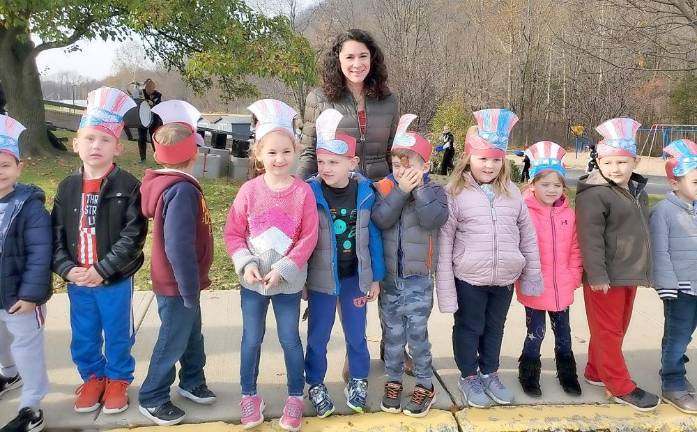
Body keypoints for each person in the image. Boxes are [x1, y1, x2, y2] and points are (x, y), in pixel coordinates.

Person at [436, 108, 542, 408]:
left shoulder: (512, 192)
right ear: (469, 157)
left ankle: (489, 372)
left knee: (496, 327)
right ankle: (469, 375)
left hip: (504, 278)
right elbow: (444, 244)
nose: (490, 165)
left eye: (497, 159)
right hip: (469, 278)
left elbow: (527, 235)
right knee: (470, 327)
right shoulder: (454, 193)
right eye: (483, 158)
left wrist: (531, 272)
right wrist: (445, 289)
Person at [51, 87, 148, 415]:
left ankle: (118, 378)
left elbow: (133, 235)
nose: (96, 146)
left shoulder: (128, 185)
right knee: (84, 331)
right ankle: (92, 376)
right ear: (76, 143)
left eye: (105, 140)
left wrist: (103, 269)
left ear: (117, 147)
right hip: (78, 279)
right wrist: (66, 268)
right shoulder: (66, 187)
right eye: (90, 139)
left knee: (118, 330)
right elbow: (57, 235)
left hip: (114, 279)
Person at [223, 99, 318, 431]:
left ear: (295, 151)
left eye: (286, 152)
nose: (279, 159)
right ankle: (249, 395)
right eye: (272, 152)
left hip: (287, 285)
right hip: (253, 285)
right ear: (258, 156)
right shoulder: (249, 191)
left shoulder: (303, 192)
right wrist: (246, 264)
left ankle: (295, 395)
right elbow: (234, 233)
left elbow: (308, 238)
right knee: (251, 339)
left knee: (290, 339)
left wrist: (284, 271)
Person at [137, 101, 216, 426]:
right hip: (178, 283)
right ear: (194, 155)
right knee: (173, 338)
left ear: (158, 156)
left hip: (183, 282)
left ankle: (192, 380)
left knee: (191, 334)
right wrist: (187, 288)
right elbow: (179, 246)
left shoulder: (167, 185)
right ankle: (152, 396)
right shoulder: (181, 191)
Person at [303, 109, 384, 418]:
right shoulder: (310, 192)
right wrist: (303, 282)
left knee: (356, 334)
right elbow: (304, 239)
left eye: (333, 163)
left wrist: (375, 277)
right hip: (322, 281)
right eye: (321, 162)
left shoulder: (365, 192)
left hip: (354, 280)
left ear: (352, 164)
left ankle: (359, 379)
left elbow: (373, 237)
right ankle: (315, 383)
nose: (326, 168)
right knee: (319, 335)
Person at [575, 117, 659, 412]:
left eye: (622, 162)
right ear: (598, 162)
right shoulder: (595, 195)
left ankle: (596, 371)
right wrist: (596, 274)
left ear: (635, 161)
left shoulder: (638, 192)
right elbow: (590, 238)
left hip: (628, 274)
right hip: (605, 277)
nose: (615, 169)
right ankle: (620, 384)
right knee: (608, 330)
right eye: (608, 163)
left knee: (616, 328)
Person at [372, 114, 448, 417]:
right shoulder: (384, 189)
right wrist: (401, 190)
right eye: (396, 165)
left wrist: (416, 190)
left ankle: (425, 384)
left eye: (409, 166)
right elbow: (380, 219)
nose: (402, 172)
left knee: (417, 335)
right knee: (392, 336)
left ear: (426, 167)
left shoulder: (435, 192)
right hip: (390, 279)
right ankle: (393, 381)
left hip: (418, 279)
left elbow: (434, 220)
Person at [515, 141, 583, 398]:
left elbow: (576, 247)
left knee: (564, 332)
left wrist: (575, 274)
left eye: (557, 185)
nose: (552, 190)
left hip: (562, 284)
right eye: (545, 184)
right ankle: (529, 372)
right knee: (536, 332)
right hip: (535, 284)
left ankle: (567, 373)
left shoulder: (569, 214)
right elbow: (517, 247)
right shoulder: (524, 212)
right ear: (532, 184)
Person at [0, 115, 52, 432]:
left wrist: (31, 294)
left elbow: (40, 252)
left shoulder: (29, 206)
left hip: (21, 296)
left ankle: (31, 406)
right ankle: (9, 373)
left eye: (5, 165)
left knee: (26, 348)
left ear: (19, 168)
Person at [297, 28, 399, 181]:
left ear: (372, 58)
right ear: (338, 60)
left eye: (363, 56)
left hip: (382, 192)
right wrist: (297, 188)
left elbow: (394, 152)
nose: (357, 64)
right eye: (350, 57)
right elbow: (309, 154)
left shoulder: (389, 99)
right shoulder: (318, 99)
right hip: (338, 193)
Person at [650, 138, 697, 414]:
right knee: (677, 337)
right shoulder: (664, 212)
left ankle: (675, 370)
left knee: (686, 336)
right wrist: (666, 286)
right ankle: (672, 384)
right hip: (679, 289)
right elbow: (660, 251)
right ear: (674, 183)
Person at [138, 79, 163, 163]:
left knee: (154, 138)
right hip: (143, 116)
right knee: (142, 138)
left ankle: (158, 158)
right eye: (148, 89)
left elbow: (158, 105)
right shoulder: (141, 92)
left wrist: (152, 103)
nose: (150, 91)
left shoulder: (158, 95)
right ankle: (143, 158)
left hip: (154, 118)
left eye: (151, 89)